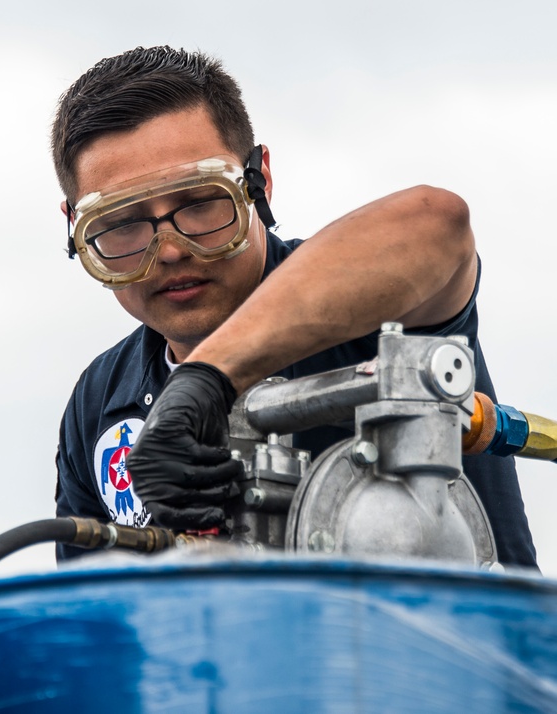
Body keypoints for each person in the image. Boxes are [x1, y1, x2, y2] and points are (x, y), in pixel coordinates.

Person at [50, 45, 538, 569]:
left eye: (198, 202)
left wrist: (206, 378)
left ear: (259, 178)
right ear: (75, 228)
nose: (170, 250)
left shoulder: (372, 301)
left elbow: (438, 223)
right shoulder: (99, 402)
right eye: (122, 224)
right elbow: (91, 622)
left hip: (470, 645)